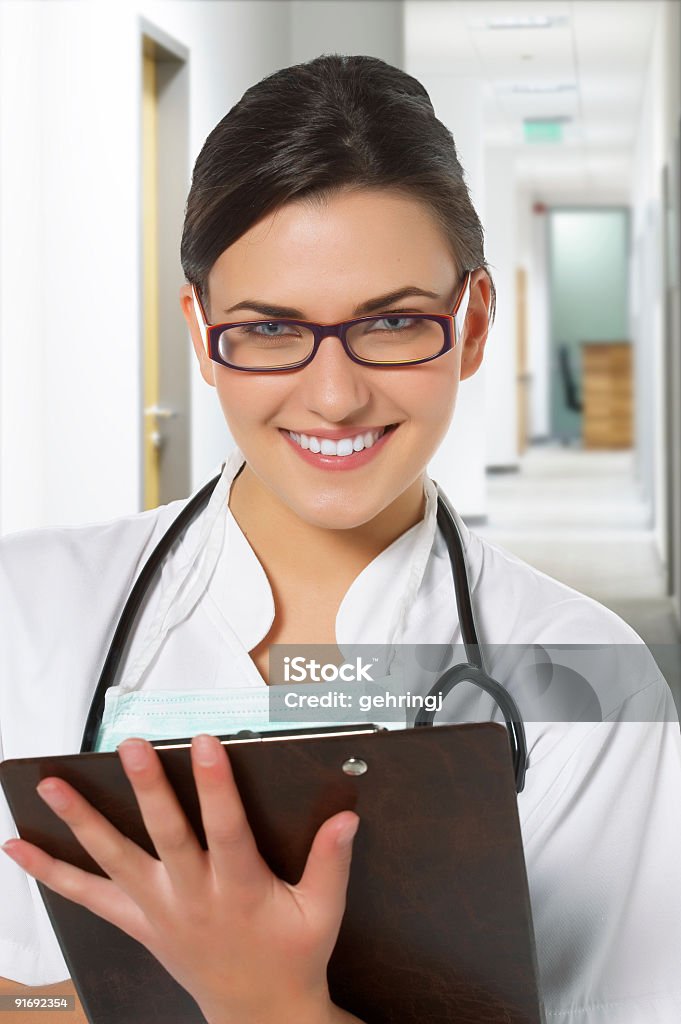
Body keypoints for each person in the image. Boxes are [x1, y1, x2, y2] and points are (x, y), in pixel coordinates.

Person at [1, 53, 680, 1024]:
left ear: (473, 321)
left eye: (395, 322)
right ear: (201, 333)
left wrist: (272, 1006)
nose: (333, 394)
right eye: (269, 329)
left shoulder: (586, 681)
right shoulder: (23, 611)